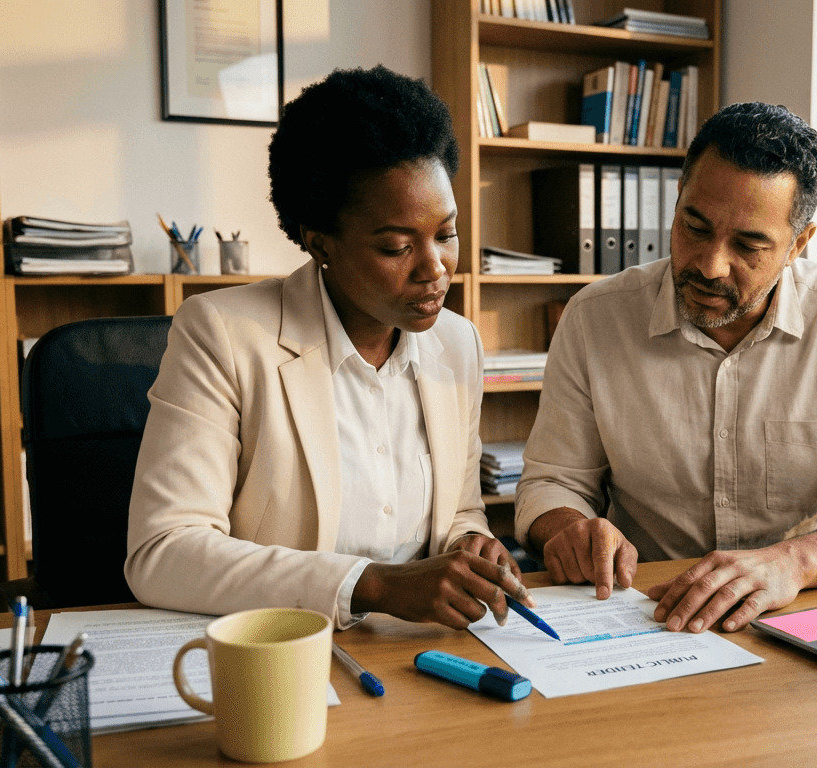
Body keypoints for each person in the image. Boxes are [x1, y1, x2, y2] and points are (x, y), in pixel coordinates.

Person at [515, 102, 817, 634]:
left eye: (748, 245)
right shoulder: (594, 318)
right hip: (646, 614)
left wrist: (793, 562)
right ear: (677, 201)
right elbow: (552, 481)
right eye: (694, 226)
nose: (709, 264)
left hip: (798, 612)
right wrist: (571, 528)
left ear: (798, 244)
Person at [126, 66, 533, 630]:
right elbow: (163, 552)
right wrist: (375, 585)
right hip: (284, 652)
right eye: (396, 246)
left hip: (422, 653)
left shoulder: (456, 344)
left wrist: (472, 543)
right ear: (321, 244)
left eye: (446, 233)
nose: (436, 268)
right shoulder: (222, 334)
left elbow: (460, 511)